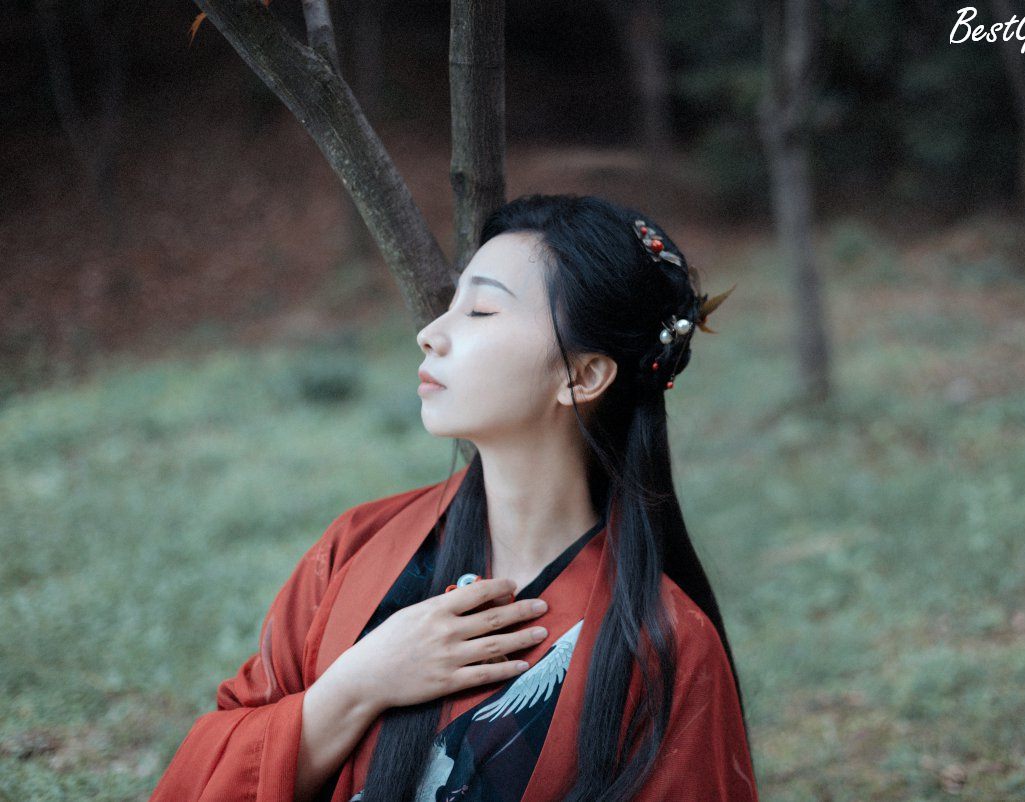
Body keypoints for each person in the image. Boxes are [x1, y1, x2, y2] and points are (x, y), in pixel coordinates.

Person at [150, 193, 757, 802]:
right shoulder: (358, 544)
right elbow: (216, 763)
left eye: (482, 310)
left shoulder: (668, 645)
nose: (430, 334)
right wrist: (359, 684)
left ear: (583, 375)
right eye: (450, 304)